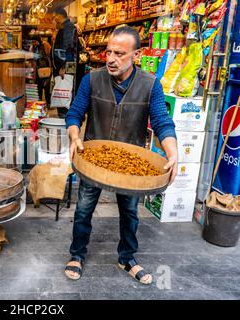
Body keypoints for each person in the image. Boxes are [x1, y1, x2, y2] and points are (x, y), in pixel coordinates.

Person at [64, 26, 178, 284]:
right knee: (83, 210)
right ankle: (77, 254)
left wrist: (173, 152)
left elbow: (162, 121)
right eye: (108, 52)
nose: (111, 58)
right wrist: (74, 135)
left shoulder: (150, 85)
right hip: (93, 157)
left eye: (120, 53)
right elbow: (74, 113)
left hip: (131, 164)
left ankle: (127, 257)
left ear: (136, 55)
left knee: (130, 213)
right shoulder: (91, 79)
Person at [51, 8, 77, 118]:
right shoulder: (64, 27)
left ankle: (65, 114)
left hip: (66, 65)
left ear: (60, 15)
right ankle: (63, 113)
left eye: (55, 16)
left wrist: (63, 66)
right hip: (66, 64)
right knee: (65, 86)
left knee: (67, 86)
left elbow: (69, 48)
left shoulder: (68, 27)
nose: (54, 19)